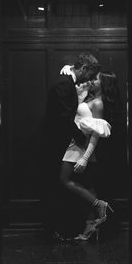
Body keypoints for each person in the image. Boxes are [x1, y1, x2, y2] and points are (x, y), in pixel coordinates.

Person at [40, 53, 101, 239]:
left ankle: (88, 221)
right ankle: (58, 229)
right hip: (62, 144)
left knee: (70, 183)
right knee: (60, 184)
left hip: (70, 146)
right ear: (83, 69)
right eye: (89, 74)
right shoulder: (64, 84)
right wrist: (81, 139)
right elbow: (64, 117)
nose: (89, 80)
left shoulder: (67, 83)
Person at [59, 71, 123, 241]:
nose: (92, 81)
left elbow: (96, 133)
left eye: (96, 79)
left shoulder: (98, 104)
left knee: (64, 180)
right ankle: (90, 227)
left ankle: (99, 205)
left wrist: (85, 157)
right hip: (77, 143)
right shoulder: (91, 98)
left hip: (81, 147)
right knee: (88, 185)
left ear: (103, 84)